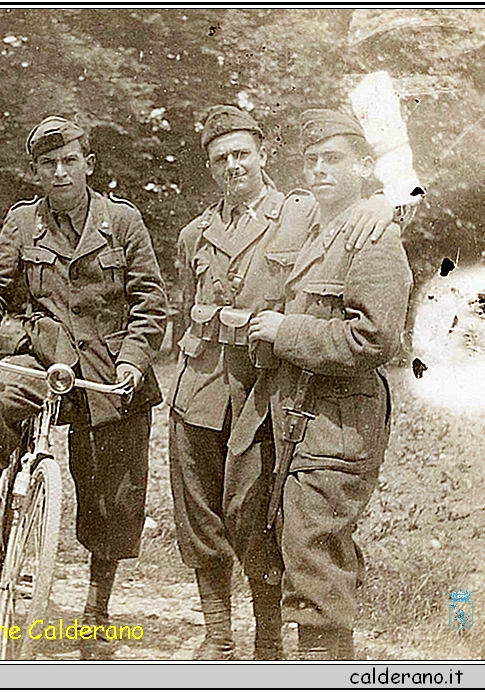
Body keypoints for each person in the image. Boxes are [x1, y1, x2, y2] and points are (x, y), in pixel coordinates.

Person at [167, 105, 395, 660]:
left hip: (274, 388)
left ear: (264, 155)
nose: (232, 167)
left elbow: (366, 305)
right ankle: (221, 634)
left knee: (283, 528)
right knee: (215, 512)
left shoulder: (297, 214)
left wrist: (384, 203)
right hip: (209, 385)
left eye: (242, 153)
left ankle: (274, 641)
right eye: (220, 159)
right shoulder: (197, 231)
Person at [0, 116, 168, 660]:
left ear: (88, 164)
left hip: (106, 369)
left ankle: (96, 610)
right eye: (48, 164)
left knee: (112, 490)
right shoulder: (22, 224)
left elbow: (150, 304)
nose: (60, 172)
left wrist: (134, 363)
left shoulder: (123, 221)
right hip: (43, 358)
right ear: (37, 172)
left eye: (70, 160)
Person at [226, 109, 413, 660]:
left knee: (315, 558)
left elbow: (375, 341)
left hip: (337, 419)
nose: (316, 170)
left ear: (363, 167)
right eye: (310, 160)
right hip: (287, 407)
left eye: (332, 160)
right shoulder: (312, 227)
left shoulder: (373, 236)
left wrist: (289, 330)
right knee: (251, 515)